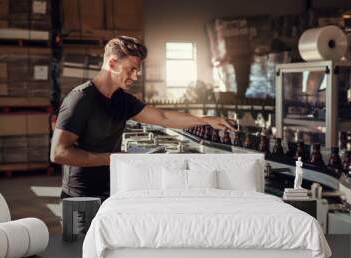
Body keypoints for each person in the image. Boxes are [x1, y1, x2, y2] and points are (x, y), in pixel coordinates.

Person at [51, 36, 235, 201]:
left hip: (112, 189)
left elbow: (163, 117)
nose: (136, 76)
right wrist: (112, 158)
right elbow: (58, 153)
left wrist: (205, 119)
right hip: (80, 196)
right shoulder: (81, 99)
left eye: (137, 70)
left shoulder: (121, 99)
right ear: (113, 63)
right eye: (131, 69)